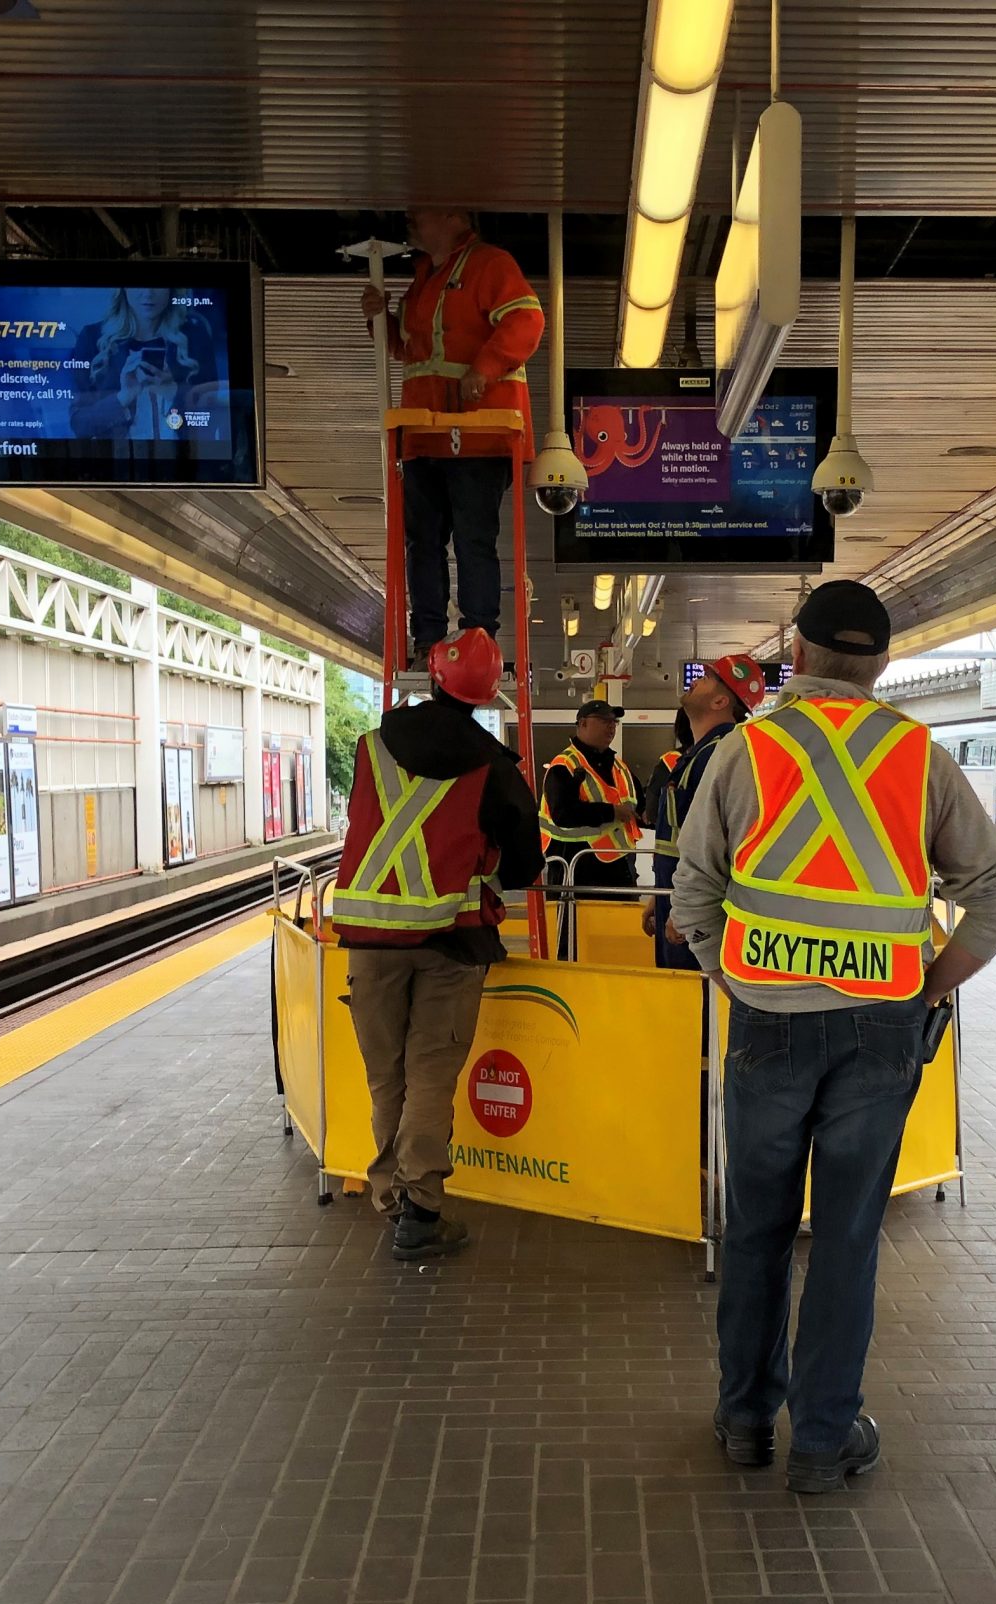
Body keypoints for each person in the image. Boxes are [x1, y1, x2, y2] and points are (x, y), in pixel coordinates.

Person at [675, 582, 996, 1494]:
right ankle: (824, 1440)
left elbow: (692, 898)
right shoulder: (922, 759)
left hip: (766, 1026)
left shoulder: (745, 750)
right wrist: (924, 986)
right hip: (881, 1033)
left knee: (754, 1228)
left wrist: (739, 976)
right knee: (846, 1235)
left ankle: (746, 1419)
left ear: (798, 651)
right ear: (879, 664)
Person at [333, 628, 543, 1260]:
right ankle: (419, 1213)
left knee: (385, 1076)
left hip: (368, 941)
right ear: (489, 692)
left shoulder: (372, 746)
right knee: (429, 1074)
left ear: (431, 675)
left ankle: (392, 1195)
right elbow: (527, 867)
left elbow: (361, 822)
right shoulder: (495, 766)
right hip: (452, 942)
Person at [360, 210, 544, 668]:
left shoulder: (489, 265)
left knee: (471, 539)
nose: (410, 219)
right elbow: (409, 350)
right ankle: (428, 639)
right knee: (423, 541)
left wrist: (483, 369)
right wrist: (378, 321)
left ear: (454, 218)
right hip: (424, 434)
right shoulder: (426, 279)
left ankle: (477, 640)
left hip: (478, 433)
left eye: (421, 212)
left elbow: (525, 321)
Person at [644, 654, 768, 970]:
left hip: (695, 915)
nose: (696, 680)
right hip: (677, 900)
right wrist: (659, 897)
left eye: (708, 678)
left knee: (697, 1009)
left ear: (720, 701)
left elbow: (714, 849)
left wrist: (684, 912)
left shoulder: (720, 758)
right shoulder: (699, 755)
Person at [69, 287, 228, 444]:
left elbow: (213, 419)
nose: (148, 293)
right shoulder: (93, 338)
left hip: (185, 463)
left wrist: (174, 392)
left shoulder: (194, 335)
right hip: (117, 465)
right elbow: (79, 425)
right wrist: (123, 397)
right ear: (123, 289)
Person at [542, 700, 643, 941]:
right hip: (574, 867)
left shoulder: (618, 765)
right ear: (583, 724)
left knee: (617, 935)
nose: (611, 727)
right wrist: (610, 812)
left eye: (614, 722)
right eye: (605, 721)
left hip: (620, 867)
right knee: (574, 937)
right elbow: (562, 813)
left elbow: (638, 800)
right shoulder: (564, 766)